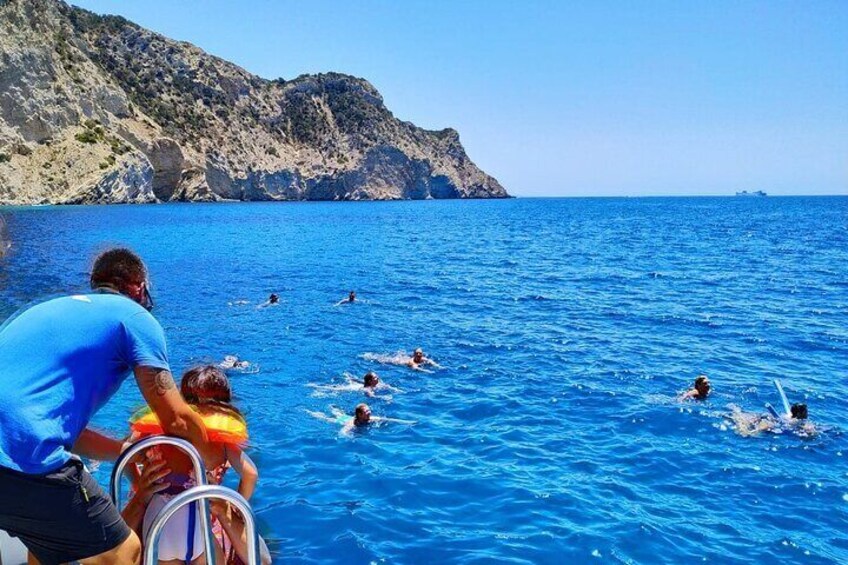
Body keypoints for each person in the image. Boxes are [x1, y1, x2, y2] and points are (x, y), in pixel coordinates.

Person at [0, 248, 211, 565]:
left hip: (15, 456)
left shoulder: (44, 310)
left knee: (47, 545)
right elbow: (177, 419)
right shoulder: (135, 317)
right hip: (24, 457)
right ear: (139, 287)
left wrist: (126, 450)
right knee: (122, 552)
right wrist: (208, 459)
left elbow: (48, 425)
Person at [133, 365, 261, 565]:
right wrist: (236, 508)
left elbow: (126, 454)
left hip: (160, 519)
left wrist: (137, 484)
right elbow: (250, 474)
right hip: (197, 522)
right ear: (223, 404)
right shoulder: (220, 441)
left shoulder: (157, 432)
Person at [308, 404, 415, 436]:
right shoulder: (352, 424)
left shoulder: (370, 418)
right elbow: (342, 432)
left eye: (369, 410)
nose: (370, 413)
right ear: (360, 414)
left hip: (348, 417)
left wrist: (408, 422)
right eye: (366, 412)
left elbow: (389, 419)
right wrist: (349, 438)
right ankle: (310, 412)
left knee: (338, 413)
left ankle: (332, 408)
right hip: (343, 421)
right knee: (327, 418)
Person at [308, 371, 400, 398]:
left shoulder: (375, 385)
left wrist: (396, 390)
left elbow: (386, 386)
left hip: (358, 384)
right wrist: (383, 398)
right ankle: (314, 386)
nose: (378, 378)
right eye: (376, 378)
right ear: (370, 381)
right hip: (353, 388)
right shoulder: (367, 389)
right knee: (334, 389)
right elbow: (371, 396)